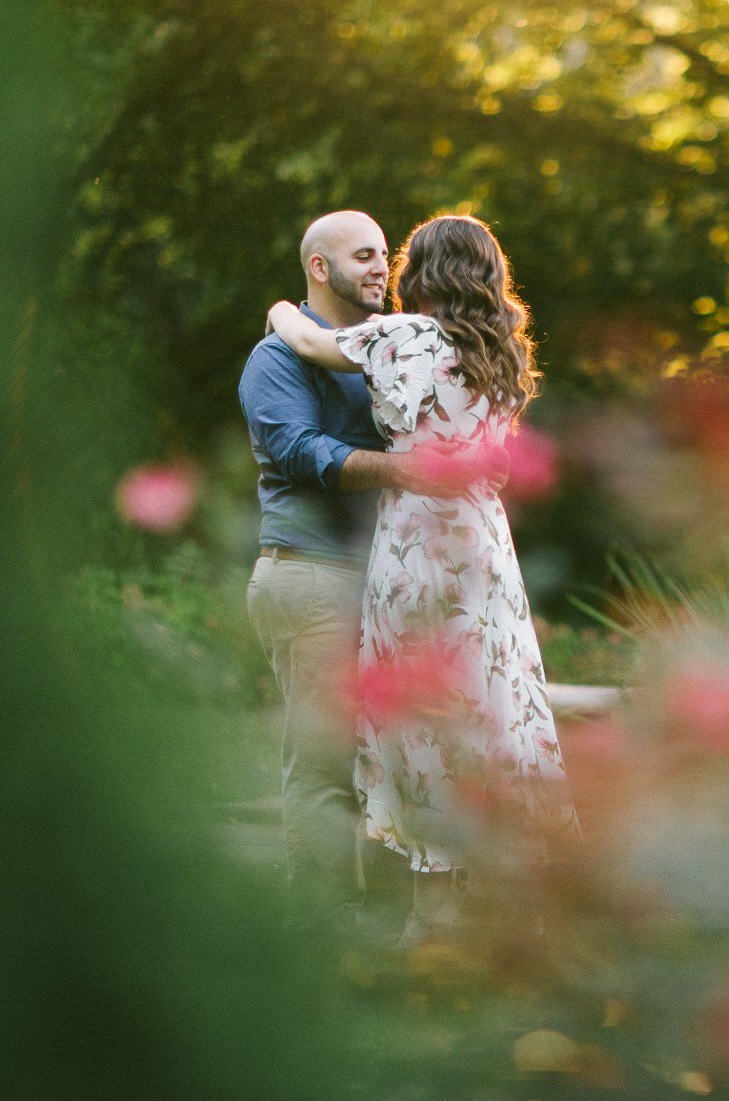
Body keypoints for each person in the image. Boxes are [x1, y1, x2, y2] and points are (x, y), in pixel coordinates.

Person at [267, 213, 574, 947]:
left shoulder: (399, 338)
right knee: (492, 703)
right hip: (483, 545)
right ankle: (504, 893)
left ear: (420, 273)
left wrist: (280, 306)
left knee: (418, 708)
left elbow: (304, 338)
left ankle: (429, 911)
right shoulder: (502, 353)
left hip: (414, 542)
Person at [240, 210, 481, 937]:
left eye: (386, 254)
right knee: (322, 763)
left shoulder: (388, 347)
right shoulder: (275, 360)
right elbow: (301, 454)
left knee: (391, 753)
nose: (384, 267)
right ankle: (321, 931)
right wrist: (409, 471)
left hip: (382, 582)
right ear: (321, 267)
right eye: (365, 255)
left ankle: (385, 923)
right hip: (310, 576)